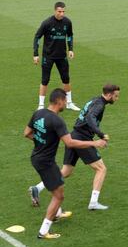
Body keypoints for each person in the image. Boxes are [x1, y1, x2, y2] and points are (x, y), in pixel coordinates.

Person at [24, 88, 107, 239]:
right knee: (59, 196)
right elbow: (70, 143)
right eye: (65, 101)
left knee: (59, 182)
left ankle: (56, 212)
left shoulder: (38, 113)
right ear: (60, 101)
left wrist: (42, 140)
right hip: (46, 162)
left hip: (36, 158)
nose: (65, 104)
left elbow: (27, 133)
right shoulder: (57, 120)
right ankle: (44, 231)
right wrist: (94, 143)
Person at [29, 84, 120, 210]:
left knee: (66, 171)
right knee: (101, 169)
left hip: (74, 135)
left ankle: (37, 188)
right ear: (109, 95)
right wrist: (101, 134)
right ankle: (93, 202)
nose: (117, 99)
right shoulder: (99, 105)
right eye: (116, 96)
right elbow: (90, 117)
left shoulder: (94, 100)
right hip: (82, 138)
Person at [33, 1, 80, 111]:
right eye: (59, 11)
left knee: (66, 79)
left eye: (63, 11)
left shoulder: (67, 22)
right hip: (48, 56)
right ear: (55, 11)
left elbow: (70, 36)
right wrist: (35, 54)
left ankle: (69, 102)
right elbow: (37, 37)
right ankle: (40, 105)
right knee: (45, 80)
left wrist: (71, 49)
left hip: (62, 56)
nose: (62, 14)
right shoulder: (47, 23)